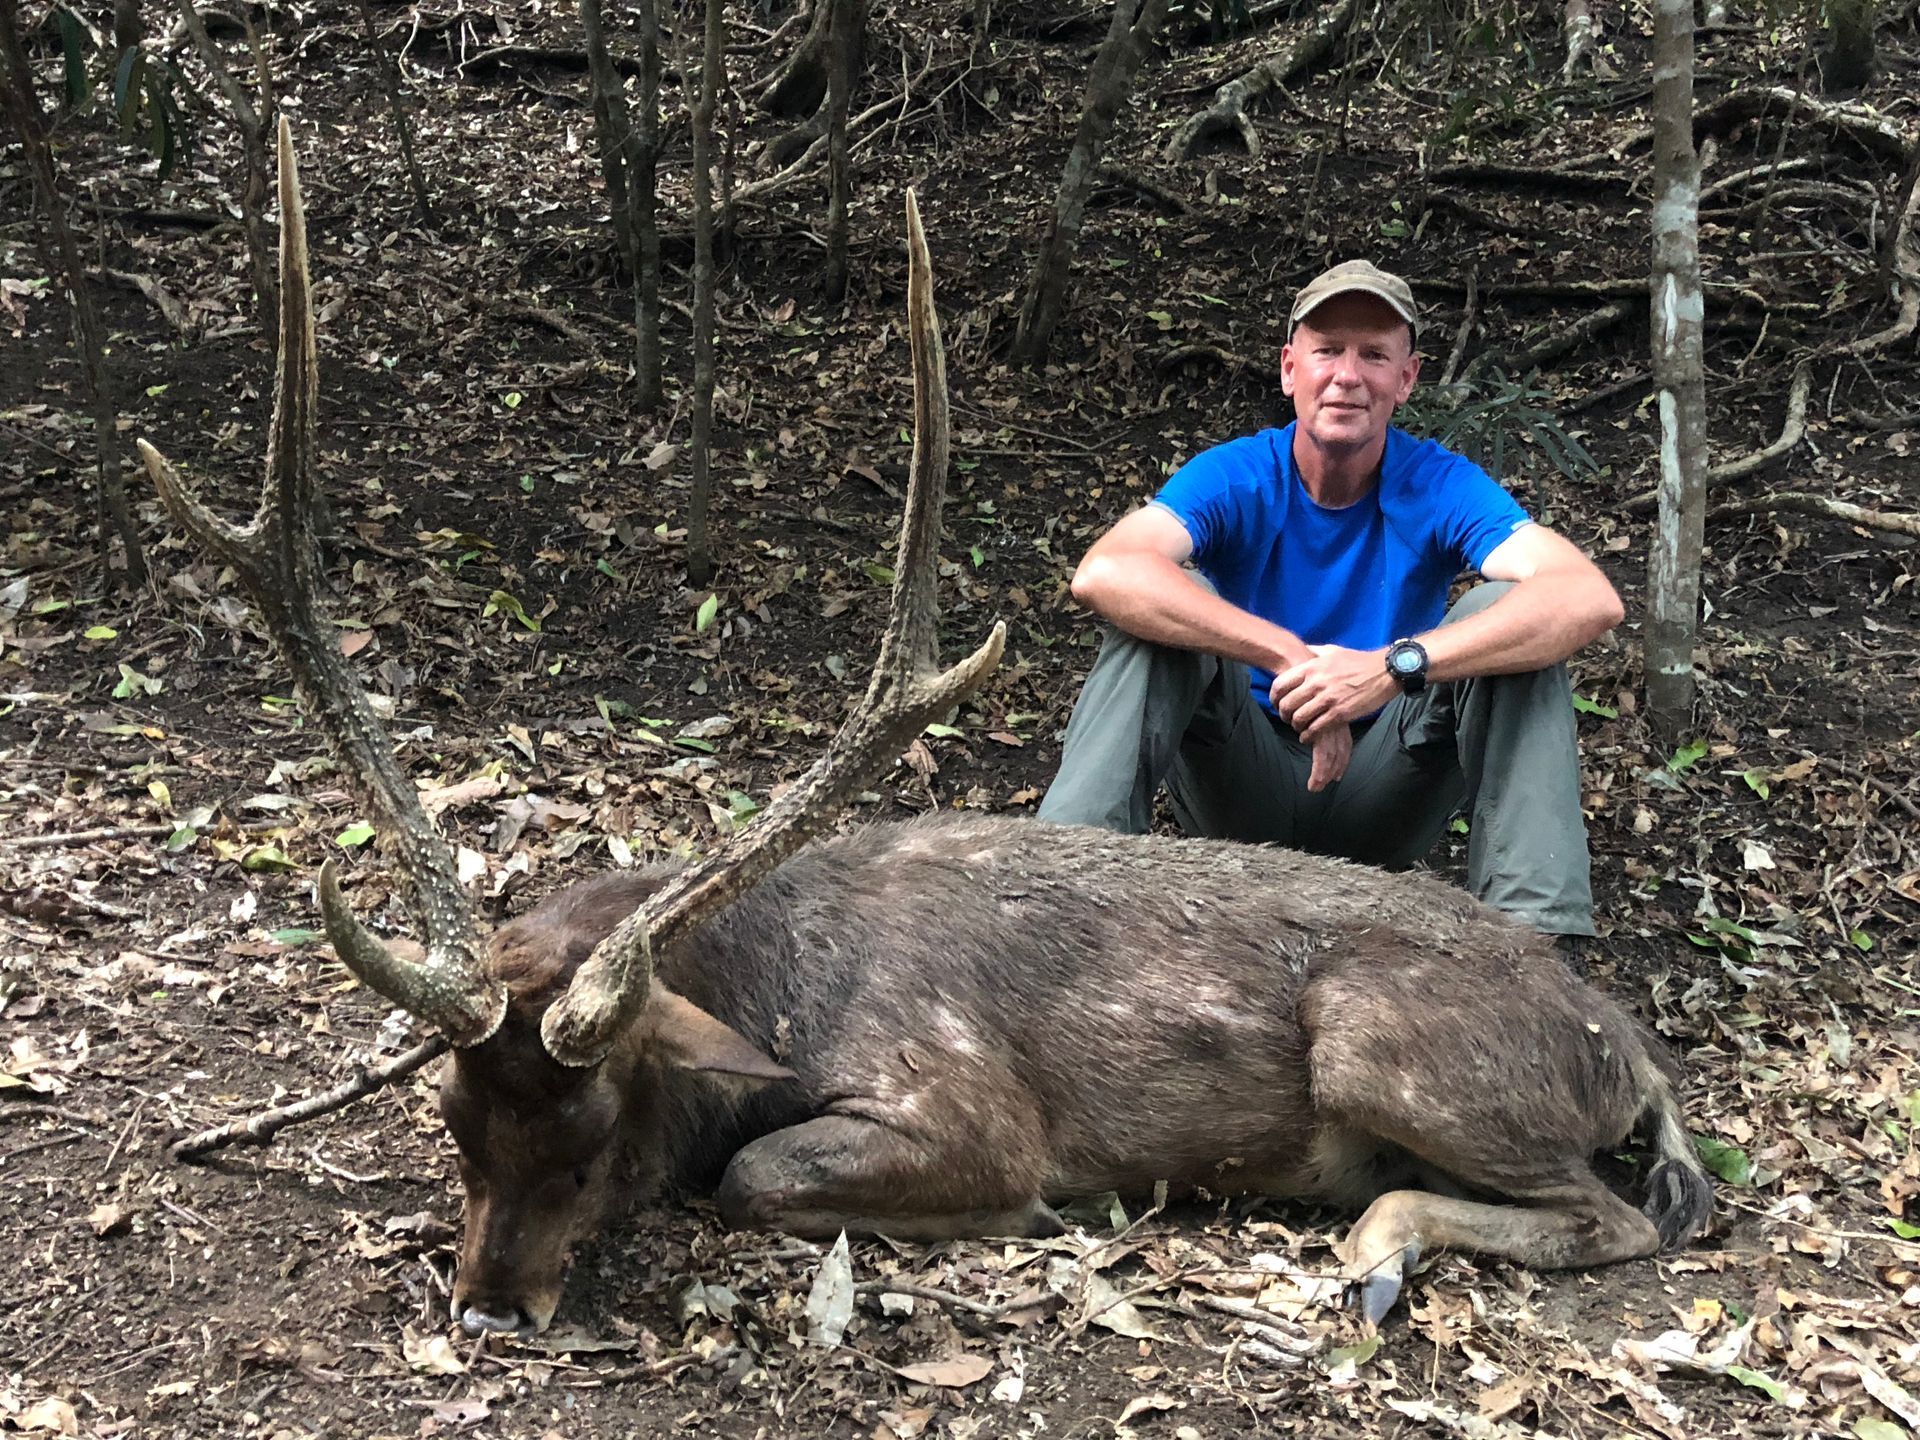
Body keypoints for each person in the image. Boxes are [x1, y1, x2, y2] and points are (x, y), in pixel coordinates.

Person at [1036, 260, 1623, 940]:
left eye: (1374, 355)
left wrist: (1389, 668)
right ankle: (1059, 914)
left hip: (1383, 789)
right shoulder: (1241, 475)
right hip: (1240, 787)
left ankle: (1539, 947)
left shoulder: (1437, 483)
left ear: (1406, 379)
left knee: (1509, 618)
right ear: (1290, 369)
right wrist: (1287, 655)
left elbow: (1586, 595)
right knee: (1166, 605)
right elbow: (1105, 571)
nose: (1347, 375)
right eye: (1327, 351)